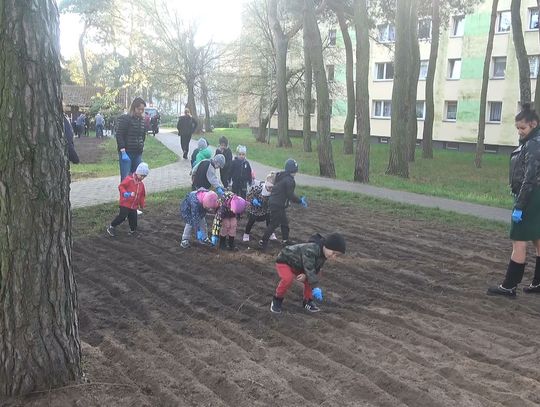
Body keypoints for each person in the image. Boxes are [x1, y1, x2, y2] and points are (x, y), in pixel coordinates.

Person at [488, 104, 540, 297]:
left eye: (523, 128)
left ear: (533, 124)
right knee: (538, 238)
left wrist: (519, 205)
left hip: (530, 197)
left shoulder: (534, 144)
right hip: (537, 196)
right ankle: (538, 283)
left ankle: (509, 287)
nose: (519, 132)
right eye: (517, 128)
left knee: (518, 241)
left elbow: (530, 177)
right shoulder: (534, 140)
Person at [270, 232, 346, 314]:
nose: (333, 256)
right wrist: (315, 287)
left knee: (314, 276)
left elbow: (315, 269)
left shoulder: (324, 254)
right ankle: (277, 299)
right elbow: (309, 268)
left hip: (300, 265)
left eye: (336, 255)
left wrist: (306, 275)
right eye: (333, 253)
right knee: (288, 279)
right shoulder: (312, 249)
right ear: (327, 246)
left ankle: (307, 301)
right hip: (285, 261)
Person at [259, 159, 308, 250]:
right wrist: (300, 201)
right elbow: (290, 195)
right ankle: (263, 241)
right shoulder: (290, 181)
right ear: (293, 171)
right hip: (278, 204)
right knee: (274, 223)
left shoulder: (281, 175)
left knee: (284, 223)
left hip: (274, 202)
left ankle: (285, 240)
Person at [106, 162, 149, 237]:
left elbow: (142, 195)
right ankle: (111, 227)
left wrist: (141, 204)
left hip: (134, 206)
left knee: (133, 219)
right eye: (141, 175)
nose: (142, 178)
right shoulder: (129, 179)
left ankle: (133, 231)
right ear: (137, 172)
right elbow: (121, 186)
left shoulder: (141, 185)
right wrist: (125, 193)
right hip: (125, 204)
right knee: (122, 217)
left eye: (144, 176)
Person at [116, 97, 147, 181]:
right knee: (126, 178)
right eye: (139, 109)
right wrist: (122, 151)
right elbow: (119, 134)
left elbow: (143, 135)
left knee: (137, 178)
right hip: (126, 152)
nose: (141, 111)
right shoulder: (126, 119)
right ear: (134, 108)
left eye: (142, 110)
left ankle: (135, 194)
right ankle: (124, 194)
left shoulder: (142, 120)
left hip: (137, 153)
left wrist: (141, 146)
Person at [243, 172, 278, 242]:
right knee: (251, 221)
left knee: (270, 220)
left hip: (266, 208)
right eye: (268, 187)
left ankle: (271, 233)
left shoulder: (274, 192)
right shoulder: (259, 187)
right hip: (255, 209)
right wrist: (253, 200)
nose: (269, 189)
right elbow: (249, 195)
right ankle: (246, 234)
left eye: (271, 187)